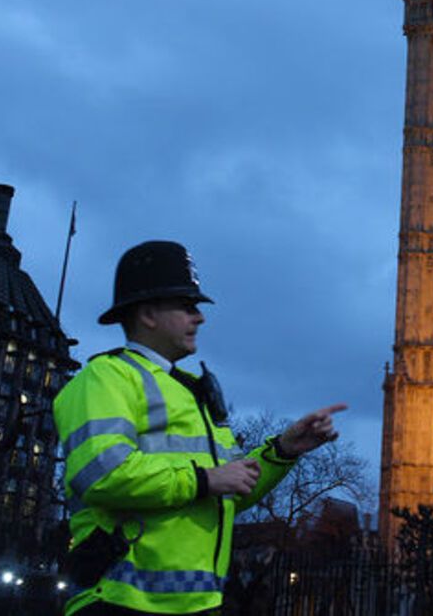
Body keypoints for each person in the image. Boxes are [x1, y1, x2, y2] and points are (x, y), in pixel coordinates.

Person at [53, 240, 346, 615]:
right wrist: (206, 479)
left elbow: (231, 490)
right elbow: (102, 474)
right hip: (120, 602)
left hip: (197, 606)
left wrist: (283, 451)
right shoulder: (105, 378)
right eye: (187, 306)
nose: (200, 317)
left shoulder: (193, 393)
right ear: (148, 314)